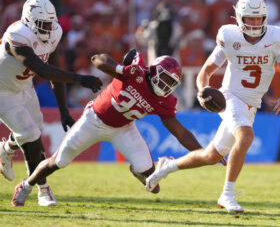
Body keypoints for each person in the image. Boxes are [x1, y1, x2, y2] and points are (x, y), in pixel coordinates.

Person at [146, 0, 280, 213]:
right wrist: (201, 91)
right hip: (229, 97)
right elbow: (205, 72)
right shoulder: (230, 37)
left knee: (210, 156)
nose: (255, 24)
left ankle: (166, 167)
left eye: (258, 19)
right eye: (250, 19)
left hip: (251, 105)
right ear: (239, 18)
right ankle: (227, 195)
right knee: (246, 136)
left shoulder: (275, 38)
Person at [11, 49, 222, 207]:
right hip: (94, 120)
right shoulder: (135, 74)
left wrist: (204, 152)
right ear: (155, 71)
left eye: (171, 84)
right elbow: (97, 59)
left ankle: (136, 169)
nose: (166, 86)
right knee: (59, 161)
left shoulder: (164, 101)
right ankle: (26, 185)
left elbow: (180, 132)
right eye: (165, 79)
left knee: (152, 182)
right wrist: (119, 68)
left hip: (123, 128)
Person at [0, 0, 102, 206]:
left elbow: (54, 68)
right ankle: (42, 190)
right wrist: (79, 79)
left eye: (50, 24)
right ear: (29, 20)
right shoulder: (17, 35)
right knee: (31, 136)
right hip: (2, 90)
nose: (48, 29)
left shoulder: (54, 33)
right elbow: (42, 70)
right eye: (43, 25)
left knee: (33, 129)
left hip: (23, 85)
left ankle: (6, 150)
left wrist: (63, 110)